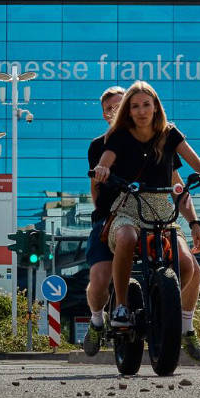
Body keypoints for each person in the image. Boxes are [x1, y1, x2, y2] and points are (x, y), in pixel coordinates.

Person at [89, 80, 200, 362]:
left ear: (156, 107)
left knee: (188, 265)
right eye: (135, 106)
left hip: (163, 209)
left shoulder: (169, 134)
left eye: (146, 105)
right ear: (128, 110)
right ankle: (122, 307)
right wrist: (103, 168)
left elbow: (196, 163)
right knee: (125, 238)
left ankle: (173, 318)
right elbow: (106, 158)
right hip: (127, 204)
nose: (140, 111)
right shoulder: (119, 136)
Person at [81, 85, 126, 356]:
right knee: (99, 278)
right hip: (110, 217)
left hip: (146, 213)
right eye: (109, 108)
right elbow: (95, 186)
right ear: (104, 115)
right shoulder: (98, 146)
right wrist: (102, 212)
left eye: (120, 105)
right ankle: (98, 320)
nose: (115, 111)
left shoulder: (151, 138)